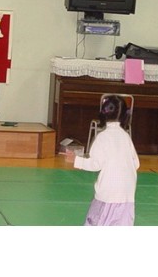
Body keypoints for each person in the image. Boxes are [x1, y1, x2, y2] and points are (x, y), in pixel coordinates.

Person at [65, 95, 139, 226]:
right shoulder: (126, 137)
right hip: (127, 196)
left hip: (107, 195)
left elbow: (95, 164)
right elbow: (136, 163)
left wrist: (76, 160)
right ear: (124, 115)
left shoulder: (102, 137)